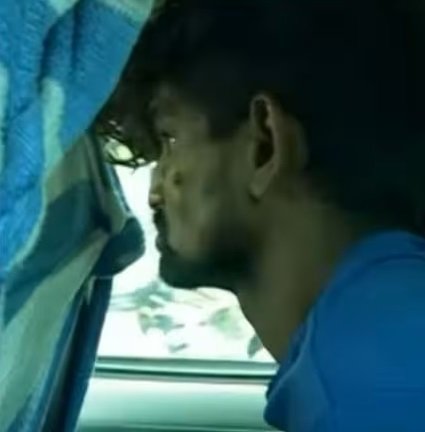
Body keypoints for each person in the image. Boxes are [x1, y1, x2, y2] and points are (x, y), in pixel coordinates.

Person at [100, 0, 425, 430]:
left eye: (170, 139)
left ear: (264, 146)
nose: (155, 192)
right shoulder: (378, 330)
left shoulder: (371, 380)